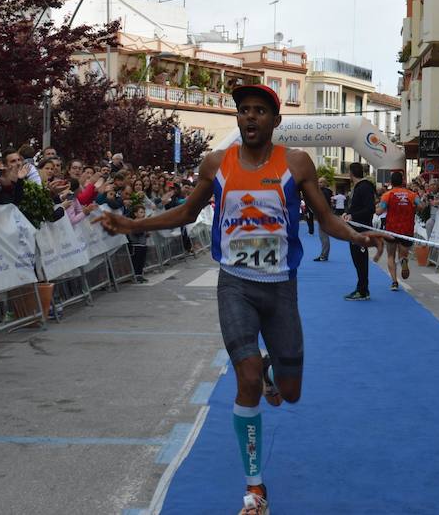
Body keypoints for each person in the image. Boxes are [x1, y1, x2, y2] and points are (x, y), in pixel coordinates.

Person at [95, 83, 382, 515]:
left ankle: (271, 371)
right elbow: (187, 214)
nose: (250, 118)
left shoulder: (297, 163)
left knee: (291, 391)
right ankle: (255, 489)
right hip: (235, 284)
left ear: (275, 120)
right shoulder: (216, 164)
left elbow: (325, 218)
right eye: (244, 111)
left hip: (282, 286)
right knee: (245, 378)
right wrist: (134, 224)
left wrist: (357, 235)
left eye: (260, 111)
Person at [375, 171, 420, 291]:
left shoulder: (387, 195)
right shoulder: (412, 195)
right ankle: (403, 260)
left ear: (391, 182)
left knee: (390, 255)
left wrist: (376, 208)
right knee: (403, 253)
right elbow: (421, 206)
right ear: (403, 181)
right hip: (407, 229)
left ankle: (394, 282)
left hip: (391, 229)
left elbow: (379, 211)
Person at [343, 162, 377, 301]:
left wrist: (353, 216)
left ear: (351, 173)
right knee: (357, 259)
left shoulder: (365, 187)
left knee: (361, 260)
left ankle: (363, 290)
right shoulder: (358, 187)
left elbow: (370, 209)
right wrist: (347, 213)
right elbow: (355, 207)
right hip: (354, 229)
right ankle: (361, 288)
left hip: (362, 230)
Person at [127, 204, 149, 283]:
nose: (143, 214)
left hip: (143, 245)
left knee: (141, 262)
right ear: (135, 214)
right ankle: (135, 276)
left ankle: (140, 275)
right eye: (141, 212)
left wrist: (147, 233)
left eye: (144, 212)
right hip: (136, 246)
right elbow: (137, 233)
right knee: (136, 262)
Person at [313, 177, 333, 261]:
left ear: (325, 183)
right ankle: (324, 255)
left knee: (323, 236)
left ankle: (324, 255)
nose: (319, 184)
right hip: (324, 216)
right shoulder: (326, 192)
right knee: (323, 237)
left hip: (323, 216)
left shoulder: (323, 193)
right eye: (318, 182)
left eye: (321, 182)